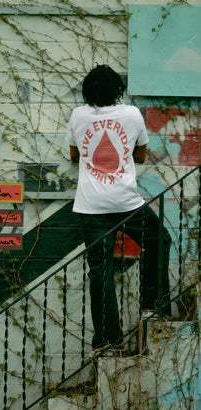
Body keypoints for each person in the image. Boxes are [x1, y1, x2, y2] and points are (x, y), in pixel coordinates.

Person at [66, 64, 171, 351]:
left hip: (91, 207)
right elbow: (140, 156)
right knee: (159, 240)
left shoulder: (78, 115)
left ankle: (109, 339)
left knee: (100, 271)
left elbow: (74, 155)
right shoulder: (131, 114)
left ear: (87, 92)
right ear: (118, 91)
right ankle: (152, 307)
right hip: (126, 203)